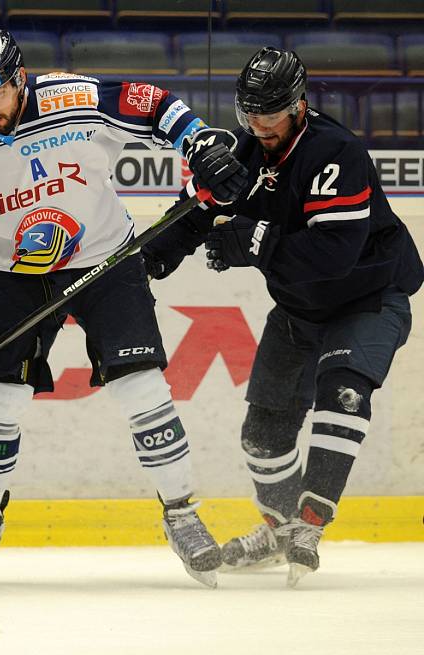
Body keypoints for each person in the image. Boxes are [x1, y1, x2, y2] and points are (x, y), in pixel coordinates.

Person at [0, 30, 248, 588]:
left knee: (142, 386)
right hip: (19, 276)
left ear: (19, 78)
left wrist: (198, 142)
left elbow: (152, 102)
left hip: (107, 259)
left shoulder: (73, 98)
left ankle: (182, 514)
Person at [142, 47, 423, 586]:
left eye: (270, 115)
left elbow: (335, 255)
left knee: (344, 393)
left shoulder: (336, 152)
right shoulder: (244, 148)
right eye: (251, 115)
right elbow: (198, 210)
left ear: (298, 104)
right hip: (299, 309)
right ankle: (281, 526)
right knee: (263, 437)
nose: (260, 126)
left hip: (367, 296)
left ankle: (310, 520)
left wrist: (255, 239)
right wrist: (152, 255)